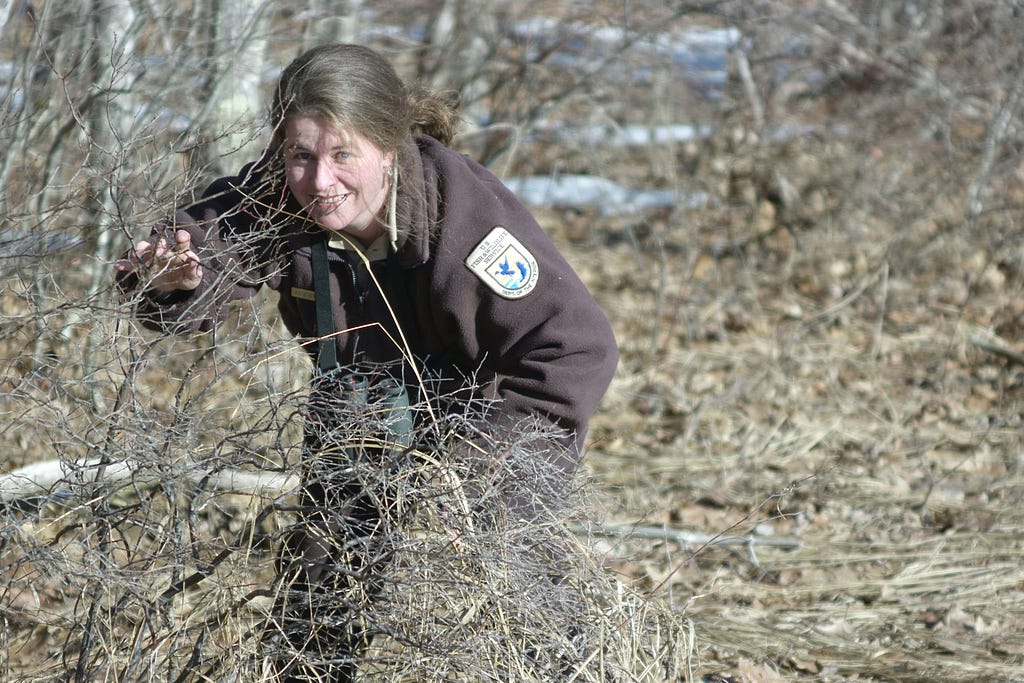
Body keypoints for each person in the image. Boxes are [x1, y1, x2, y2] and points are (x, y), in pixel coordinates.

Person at [116, 43, 618, 681]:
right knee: (321, 593)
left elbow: (574, 345)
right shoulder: (283, 192)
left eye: (342, 154)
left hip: (489, 410)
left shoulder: (464, 220)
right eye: (300, 155)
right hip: (361, 402)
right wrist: (174, 278)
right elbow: (209, 243)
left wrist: (485, 474)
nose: (319, 182)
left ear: (388, 145)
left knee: (521, 588)